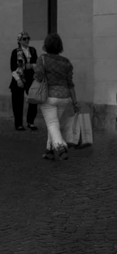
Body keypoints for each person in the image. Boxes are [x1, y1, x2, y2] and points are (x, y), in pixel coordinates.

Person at [35, 32, 79, 160]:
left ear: (46, 45)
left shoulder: (42, 59)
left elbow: (38, 76)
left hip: (49, 96)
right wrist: (75, 102)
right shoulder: (66, 62)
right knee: (53, 123)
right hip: (65, 97)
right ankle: (49, 150)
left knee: (52, 123)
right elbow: (70, 84)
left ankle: (61, 148)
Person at [9, 32, 39, 131]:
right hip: (19, 77)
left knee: (33, 99)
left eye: (28, 38)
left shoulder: (33, 50)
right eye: (24, 39)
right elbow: (13, 68)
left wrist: (32, 66)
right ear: (19, 41)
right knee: (17, 102)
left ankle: (30, 122)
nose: (27, 40)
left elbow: (37, 63)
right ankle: (18, 124)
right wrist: (18, 80)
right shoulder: (15, 52)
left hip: (31, 78)